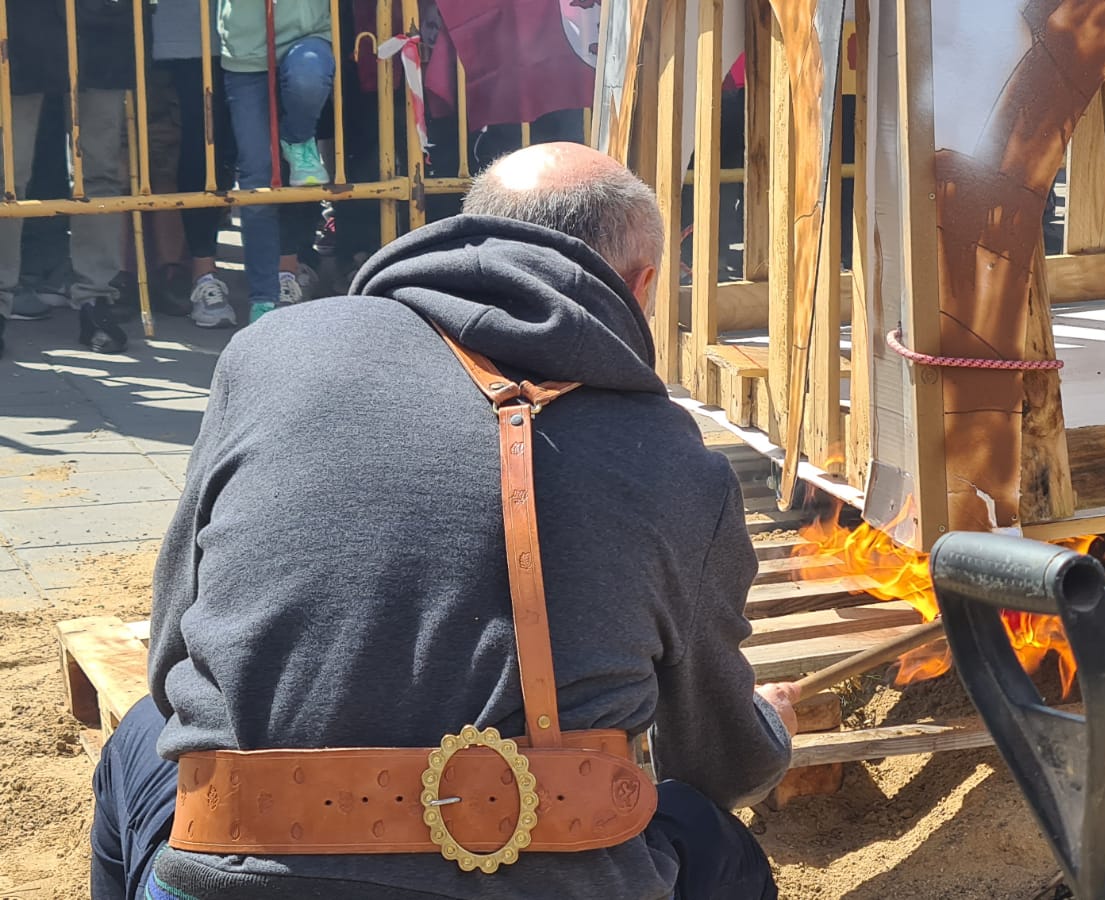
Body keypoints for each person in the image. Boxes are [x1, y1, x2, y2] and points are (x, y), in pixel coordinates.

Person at [91, 142, 795, 900]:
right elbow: (717, 763)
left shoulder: (266, 352)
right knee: (712, 842)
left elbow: (171, 660)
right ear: (641, 281)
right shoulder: (676, 460)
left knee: (136, 739)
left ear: (468, 234)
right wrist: (770, 728)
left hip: (237, 875)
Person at [0, 0, 133, 356]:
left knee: (99, 170)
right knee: (9, 175)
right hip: (21, 21)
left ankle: (97, 298)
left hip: (100, 20)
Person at [217, 0, 335, 323]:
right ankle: (263, 299)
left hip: (306, 31)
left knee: (308, 76)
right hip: (245, 49)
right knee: (256, 175)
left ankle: (298, 141)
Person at [149, 0, 240, 327]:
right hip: (157, 35)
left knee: (211, 157)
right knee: (161, 156)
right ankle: (179, 270)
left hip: (233, 38)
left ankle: (194, 270)